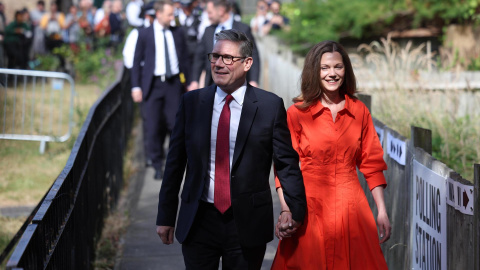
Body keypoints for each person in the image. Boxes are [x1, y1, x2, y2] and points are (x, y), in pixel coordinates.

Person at [156, 29, 306, 269]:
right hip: (198, 220)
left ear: (247, 63)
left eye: (228, 58)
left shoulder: (269, 106)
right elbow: (175, 163)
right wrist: (165, 216)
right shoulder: (192, 103)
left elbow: (286, 163)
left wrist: (295, 210)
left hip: (247, 222)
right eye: (215, 56)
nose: (218, 64)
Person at [271, 40, 391, 269]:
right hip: (308, 207)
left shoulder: (359, 111)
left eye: (338, 67)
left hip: (352, 209)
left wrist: (382, 211)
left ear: (346, 70)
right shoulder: (296, 113)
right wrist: (286, 209)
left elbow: (372, 163)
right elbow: (284, 169)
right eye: (325, 68)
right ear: (314, 71)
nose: (332, 73)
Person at [131, 0, 191, 180]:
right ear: (158, 14)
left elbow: (185, 59)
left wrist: (189, 82)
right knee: (153, 125)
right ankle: (157, 164)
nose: (172, 18)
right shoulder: (144, 34)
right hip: (153, 85)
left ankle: (175, 162)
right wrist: (136, 87)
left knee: (175, 124)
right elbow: (136, 63)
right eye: (169, 14)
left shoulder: (178, 33)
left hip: (173, 84)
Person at [187, 0, 260, 91]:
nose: (208, 16)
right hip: (212, 83)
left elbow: (253, 55)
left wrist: (253, 80)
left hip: (238, 84)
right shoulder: (208, 31)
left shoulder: (243, 29)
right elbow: (199, 57)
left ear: (221, 11)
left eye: (210, 12)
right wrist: (195, 80)